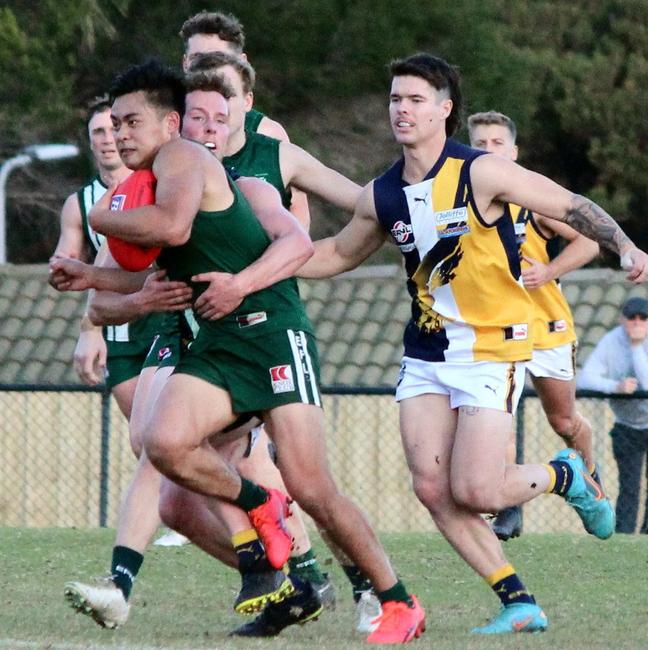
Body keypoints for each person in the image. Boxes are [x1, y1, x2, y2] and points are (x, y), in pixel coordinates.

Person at [66, 59, 424, 645]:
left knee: (312, 487)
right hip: (215, 344)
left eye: (132, 122)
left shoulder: (200, 171)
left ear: (171, 124)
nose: (121, 135)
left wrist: (100, 215)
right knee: (163, 447)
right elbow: (122, 296)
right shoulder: (147, 192)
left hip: (272, 334)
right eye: (114, 124)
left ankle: (396, 599)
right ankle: (264, 526)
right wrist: (90, 275)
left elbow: (195, 232)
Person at [298, 52, 648, 634]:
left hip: (493, 347)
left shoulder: (480, 172)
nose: (401, 110)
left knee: (478, 487)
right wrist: (257, 269)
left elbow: (569, 205)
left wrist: (627, 245)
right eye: (394, 99)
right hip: (426, 353)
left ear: (444, 109)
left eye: (415, 100)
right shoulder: (382, 194)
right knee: (433, 487)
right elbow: (334, 253)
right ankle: (518, 601)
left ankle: (565, 474)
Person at [467, 110, 601, 540]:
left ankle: (590, 479)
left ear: (514, 152)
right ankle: (509, 511)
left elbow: (588, 242)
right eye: (480, 144)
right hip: (494, 330)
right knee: (500, 417)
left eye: (496, 144)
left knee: (563, 421)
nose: (488, 151)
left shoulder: (532, 200)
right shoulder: (459, 200)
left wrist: (548, 270)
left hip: (545, 327)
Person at [51, 98, 174, 420]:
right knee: (143, 443)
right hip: (120, 328)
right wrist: (61, 267)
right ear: (90, 141)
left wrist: (88, 327)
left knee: (167, 437)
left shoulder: (159, 183)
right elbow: (70, 257)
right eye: (98, 132)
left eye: (113, 128)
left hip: (163, 314)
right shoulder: (79, 204)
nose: (108, 138)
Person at [179, 9, 310, 226]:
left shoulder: (267, 133)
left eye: (218, 58)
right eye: (198, 59)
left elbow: (298, 211)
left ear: (241, 62)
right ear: (185, 63)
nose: (208, 69)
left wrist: (284, 256)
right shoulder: (168, 126)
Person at [578, 296, 648, 534]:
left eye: (643, 318)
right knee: (629, 486)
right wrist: (615, 386)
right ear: (622, 319)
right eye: (632, 318)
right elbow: (586, 378)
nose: (637, 323)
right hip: (627, 426)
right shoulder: (611, 341)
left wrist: (637, 347)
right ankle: (625, 535)